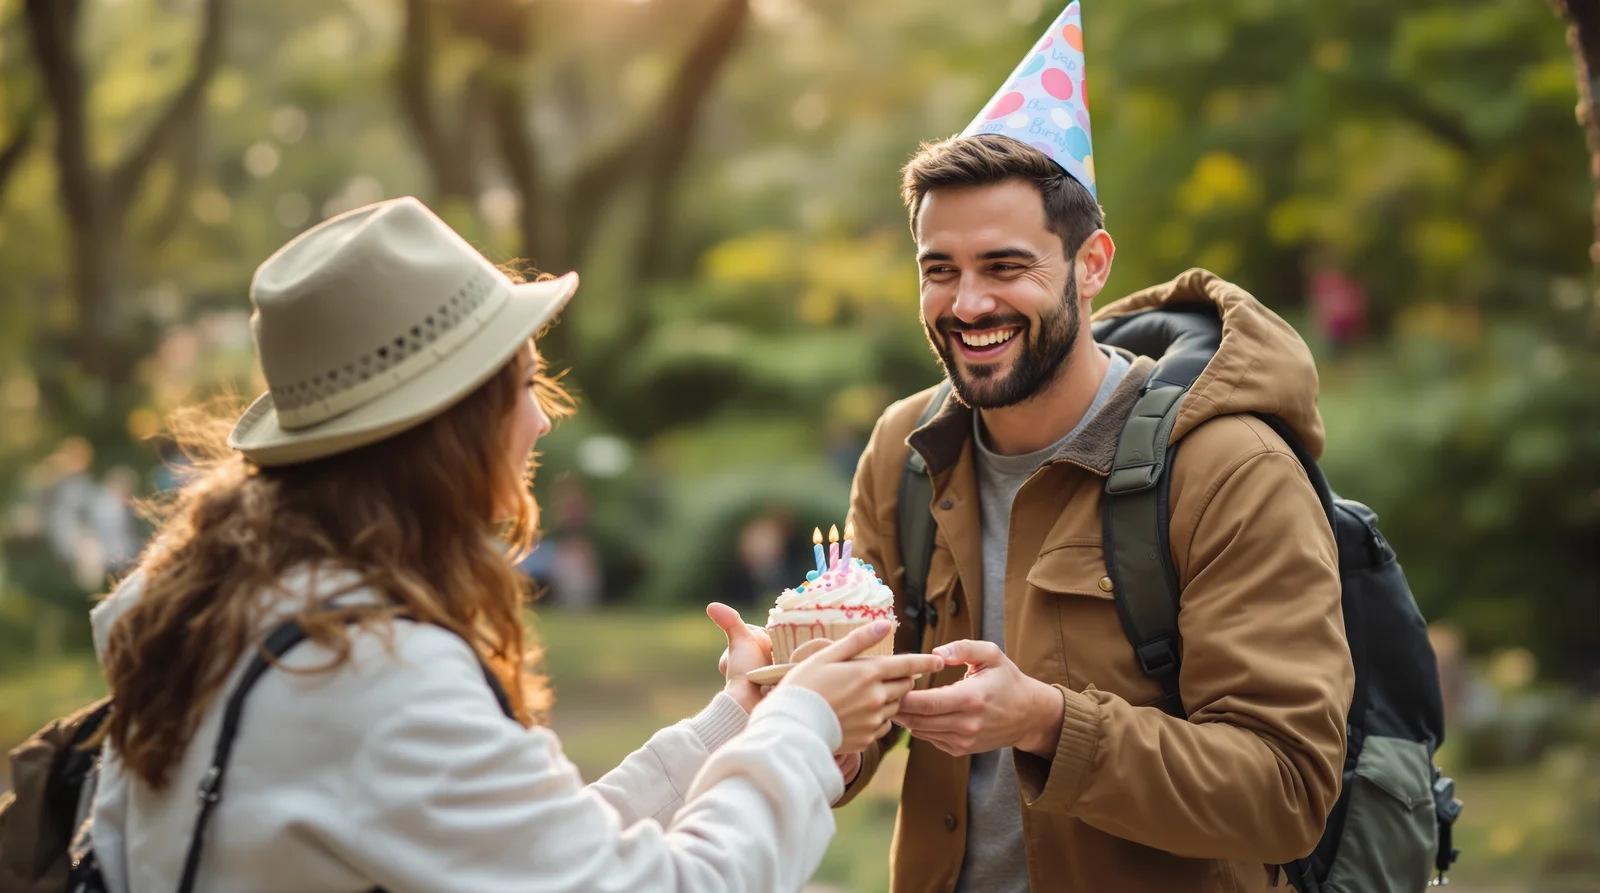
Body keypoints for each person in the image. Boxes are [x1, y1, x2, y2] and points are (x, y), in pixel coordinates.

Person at [86, 196, 943, 892]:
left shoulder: (243, 613)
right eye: (526, 384)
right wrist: (803, 723)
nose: (542, 416)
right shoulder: (365, 671)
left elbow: (538, 850)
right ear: (445, 428)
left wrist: (736, 722)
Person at [828, 6, 1352, 891]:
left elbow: (1286, 790)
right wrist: (797, 711)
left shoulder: (1228, 467)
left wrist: (1045, 722)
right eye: (939, 269)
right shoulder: (904, 451)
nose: (966, 305)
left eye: (1005, 266)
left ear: (1092, 262)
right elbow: (867, 717)